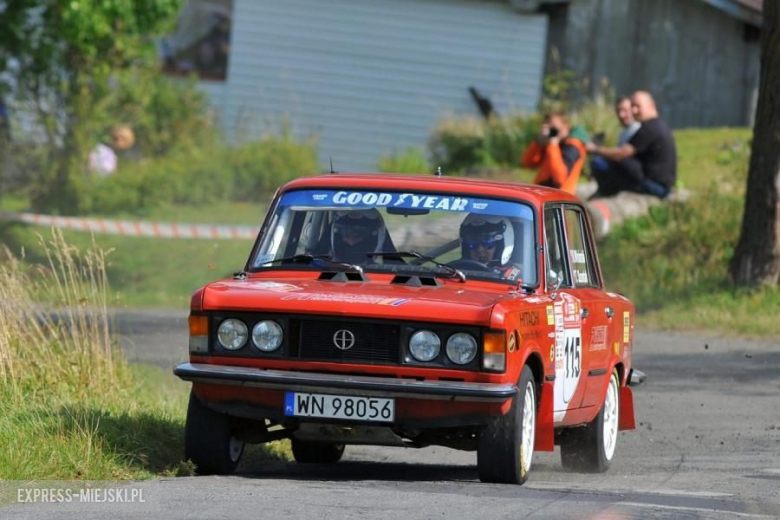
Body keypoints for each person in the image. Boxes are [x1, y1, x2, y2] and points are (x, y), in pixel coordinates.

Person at [587, 91, 677, 198]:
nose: (634, 110)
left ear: (652, 105)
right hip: (659, 184)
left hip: (655, 186)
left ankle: (605, 194)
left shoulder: (650, 128)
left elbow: (621, 154)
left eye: (638, 106)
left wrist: (595, 149)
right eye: (632, 107)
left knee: (598, 163)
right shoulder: (656, 125)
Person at [521, 113, 588, 195]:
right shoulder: (551, 143)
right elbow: (527, 163)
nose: (550, 130)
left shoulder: (573, 145)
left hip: (561, 197)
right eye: (547, 125)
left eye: (553, 126)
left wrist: (553, 145)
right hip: (542, 192)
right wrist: (538, 142)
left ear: (565, 126)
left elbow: (560, 178)